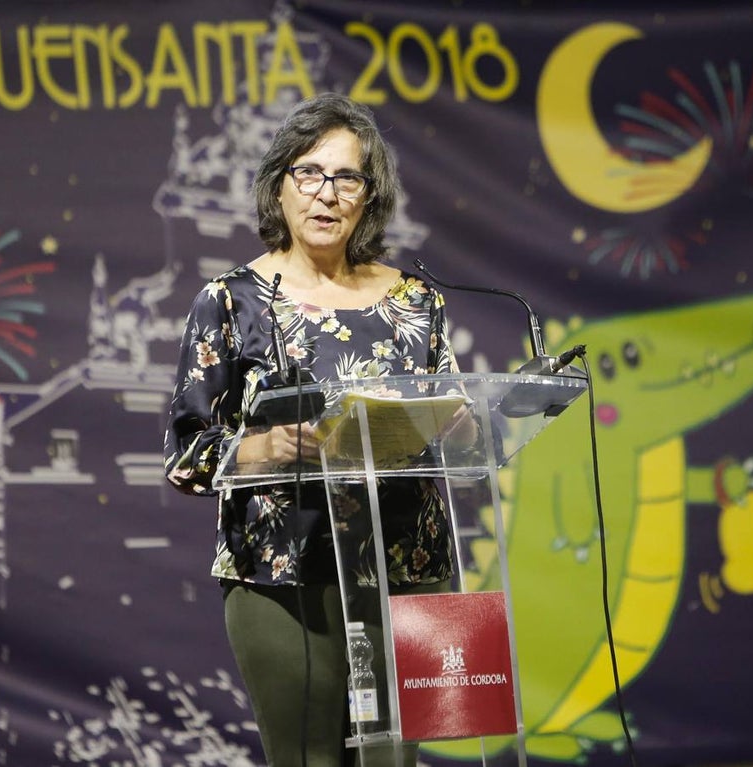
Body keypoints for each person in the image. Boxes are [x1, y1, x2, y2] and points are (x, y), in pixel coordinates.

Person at [163, 92, 473, 767]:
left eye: (346, 177)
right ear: (280, 188)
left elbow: (464, 433)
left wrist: (462, 428)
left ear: (371, 196)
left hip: (410, 573)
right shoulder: (227, 302)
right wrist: (260, 448)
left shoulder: (418, 301)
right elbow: (186, 454)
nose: (326, 193)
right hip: (283, 581)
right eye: (309, 173)